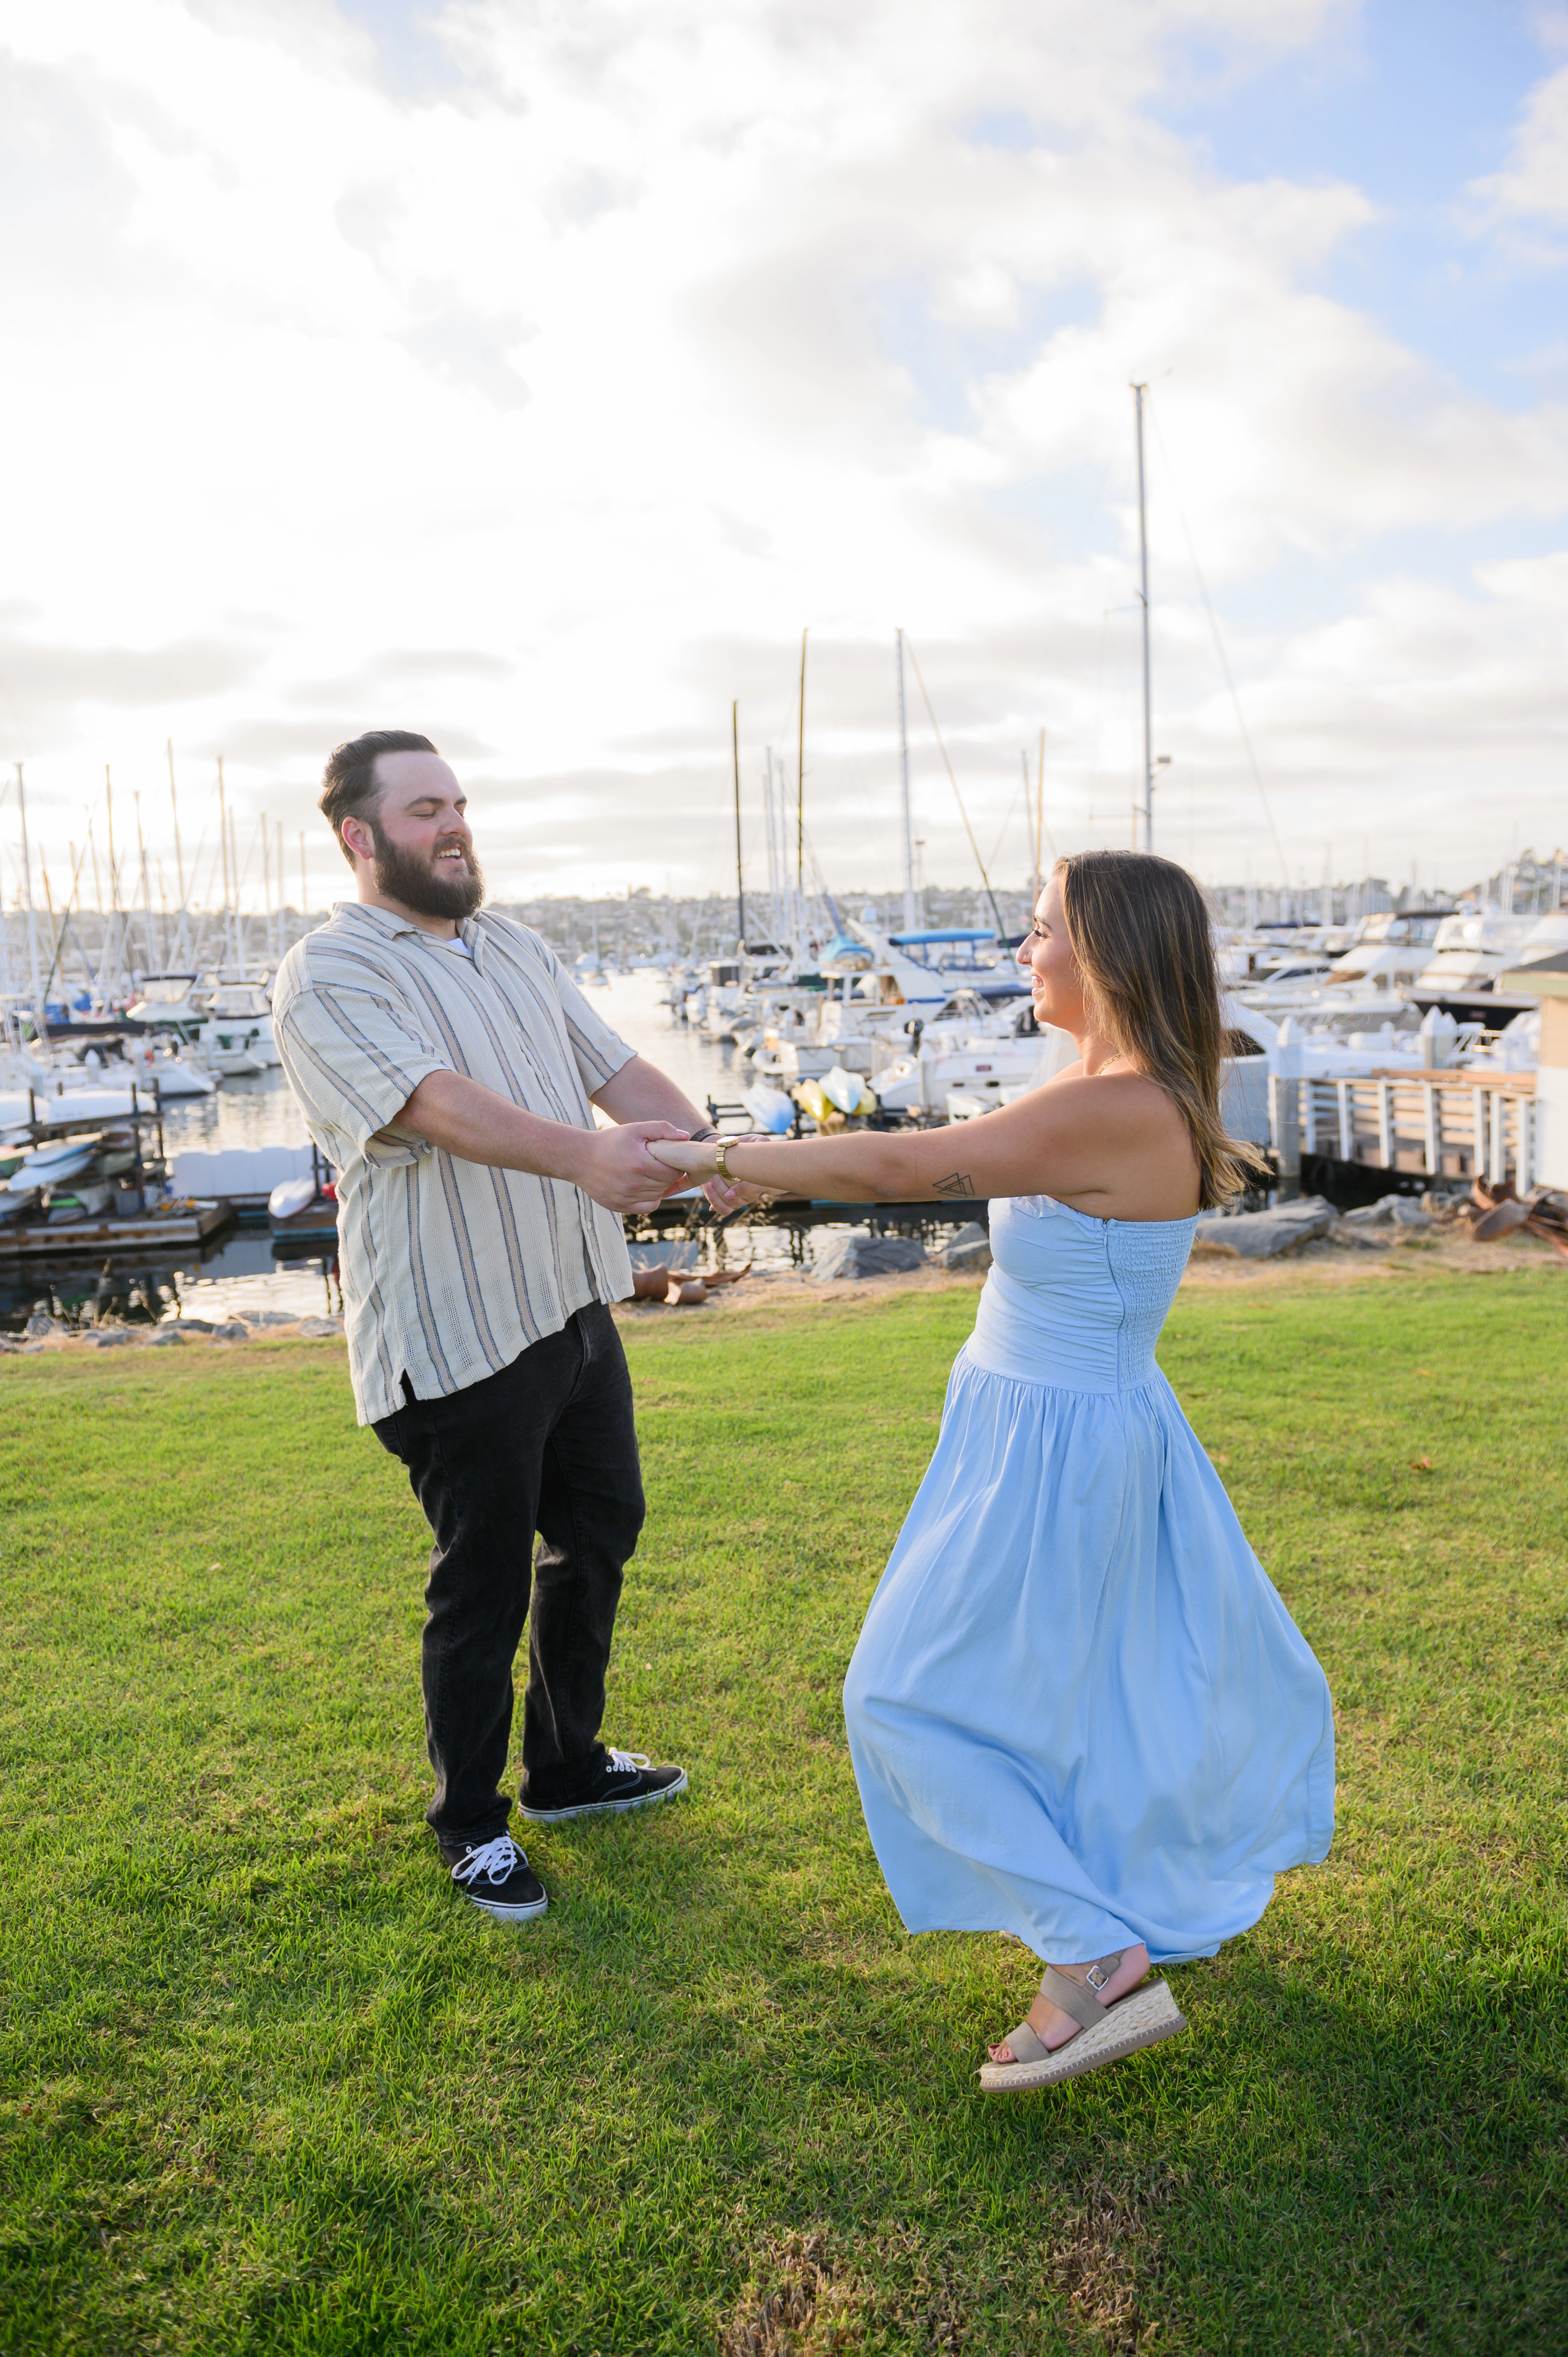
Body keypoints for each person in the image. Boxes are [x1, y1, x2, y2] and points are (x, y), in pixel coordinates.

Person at [650, 849, 1334, 2093]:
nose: (1025, 951)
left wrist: (723, 1158)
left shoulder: (1123, 1105)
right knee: (1070, 1704)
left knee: (898, 1696)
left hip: (1061, 1446)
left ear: (1108, 954)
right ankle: (1096, 1930)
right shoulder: (1097, 1083)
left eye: (1038, 932)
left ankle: (1094, 1955)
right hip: (1044, 1423)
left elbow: (908, 1169)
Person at [272, 729, 761, 1924]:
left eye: (461, 805)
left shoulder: (516, 947)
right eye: (426, 808)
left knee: (598, 1536)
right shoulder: (331, 972)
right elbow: (437, 1107)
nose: (454, 827)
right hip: (452, 1332)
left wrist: (714, 1154)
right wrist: (589, 1160)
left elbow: (618, 1070)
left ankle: (566, 1769)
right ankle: (471, 1825)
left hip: (570, 1306)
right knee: (481, 1587)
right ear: (360, 834)